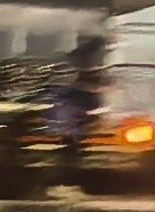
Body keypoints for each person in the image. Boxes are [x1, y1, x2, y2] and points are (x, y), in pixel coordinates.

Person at [40, 34, 109, 198]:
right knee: (70, 155)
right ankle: (65, 183)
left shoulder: (75, 67)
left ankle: (64, 182)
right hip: (71, 121)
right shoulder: (78, 74)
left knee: (70, 154)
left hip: (70, 122)